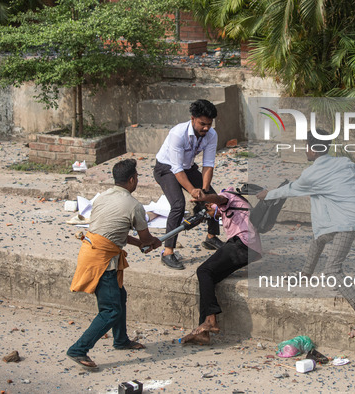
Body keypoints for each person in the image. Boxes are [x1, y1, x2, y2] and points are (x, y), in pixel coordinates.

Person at [256, 129, 355, 339]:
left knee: (332, 269)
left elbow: (291, 189)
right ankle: (305, 275)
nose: (306, 150)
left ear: (312, 149)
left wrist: (267, 194)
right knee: (320, 238)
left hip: (347, 222)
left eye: (306, 146)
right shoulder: (346, 163)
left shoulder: (312, 174)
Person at [67, 159, 162, 370]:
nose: (137, 180)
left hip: (91, 251)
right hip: (103, 261)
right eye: (136, 177)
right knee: (111, 310)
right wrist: (152, 242)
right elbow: (146, 238)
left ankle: (121, 340)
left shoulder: (103, 197)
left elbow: (113, 231)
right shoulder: (135, 206)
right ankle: (78, 349)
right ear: (131, 179)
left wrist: (138, 244)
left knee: (120, 296)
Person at [179, 188, 262, 345]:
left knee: (203, 270)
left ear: (210, 205)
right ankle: (202, 331)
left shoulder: (226, 197)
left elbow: (219, 199)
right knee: (208, 278)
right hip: (248, 248)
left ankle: (211, 320)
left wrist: (205, 196)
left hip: (243, 244)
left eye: (210, 214)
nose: (214, 217)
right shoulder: (233, 203)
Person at [154, 99, 223, 270]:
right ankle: (168, 252)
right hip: (166, 168)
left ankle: (211, 237)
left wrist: (204, 192)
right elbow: (176, 169)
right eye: (202, 124)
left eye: (209, 124)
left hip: (187, 167)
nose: (206, 128)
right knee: (178, 205)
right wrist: (193, 191)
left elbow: (208, 164)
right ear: (192, 119)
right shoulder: (178, 133)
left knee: (213, 198)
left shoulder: (211, 135)